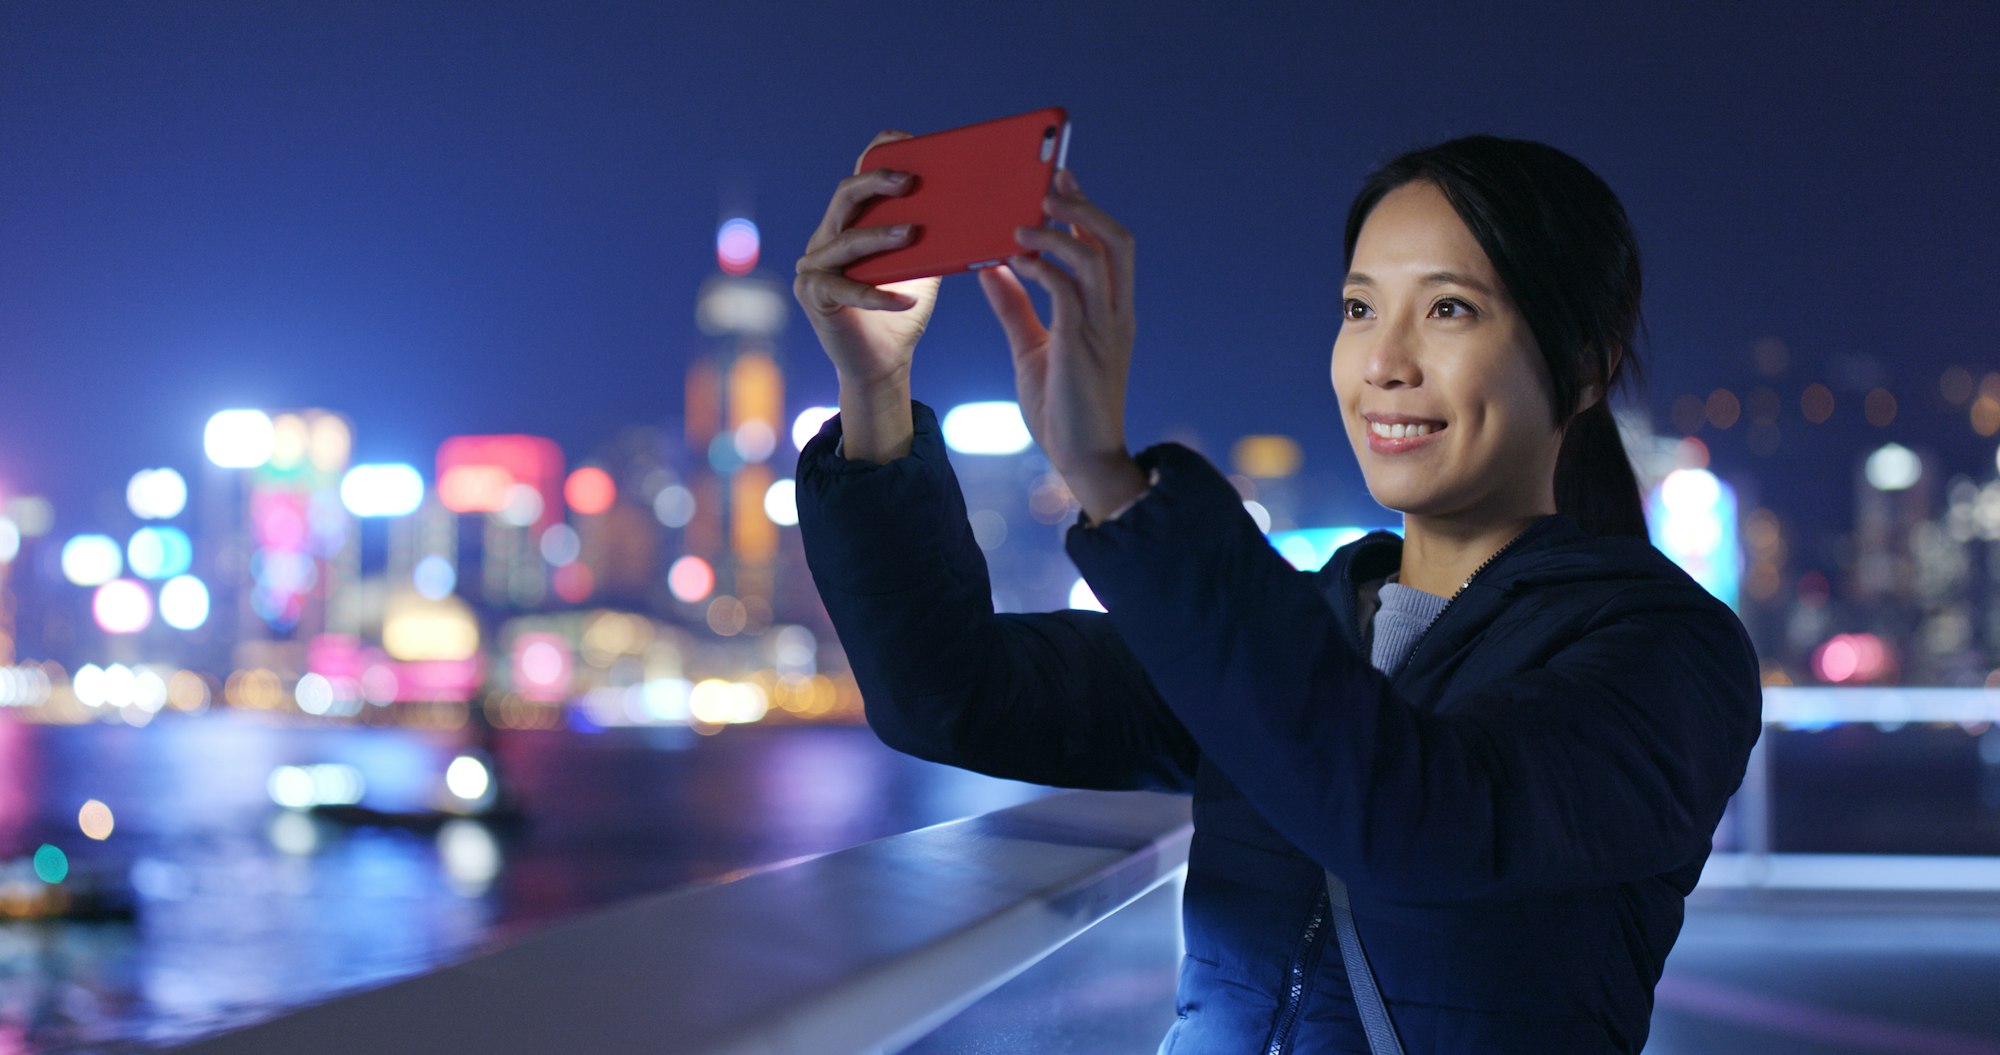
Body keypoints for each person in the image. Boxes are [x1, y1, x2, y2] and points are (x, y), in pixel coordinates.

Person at [790, 129, 1762, 1054]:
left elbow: (1414, 816)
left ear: (1583, 364)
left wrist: (1116, 483)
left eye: (1449, 308)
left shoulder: (1666, 651)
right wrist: (873, 396)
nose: (1383, 362)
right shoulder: (1293, 623)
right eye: (1358, 308)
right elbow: (950, 693)